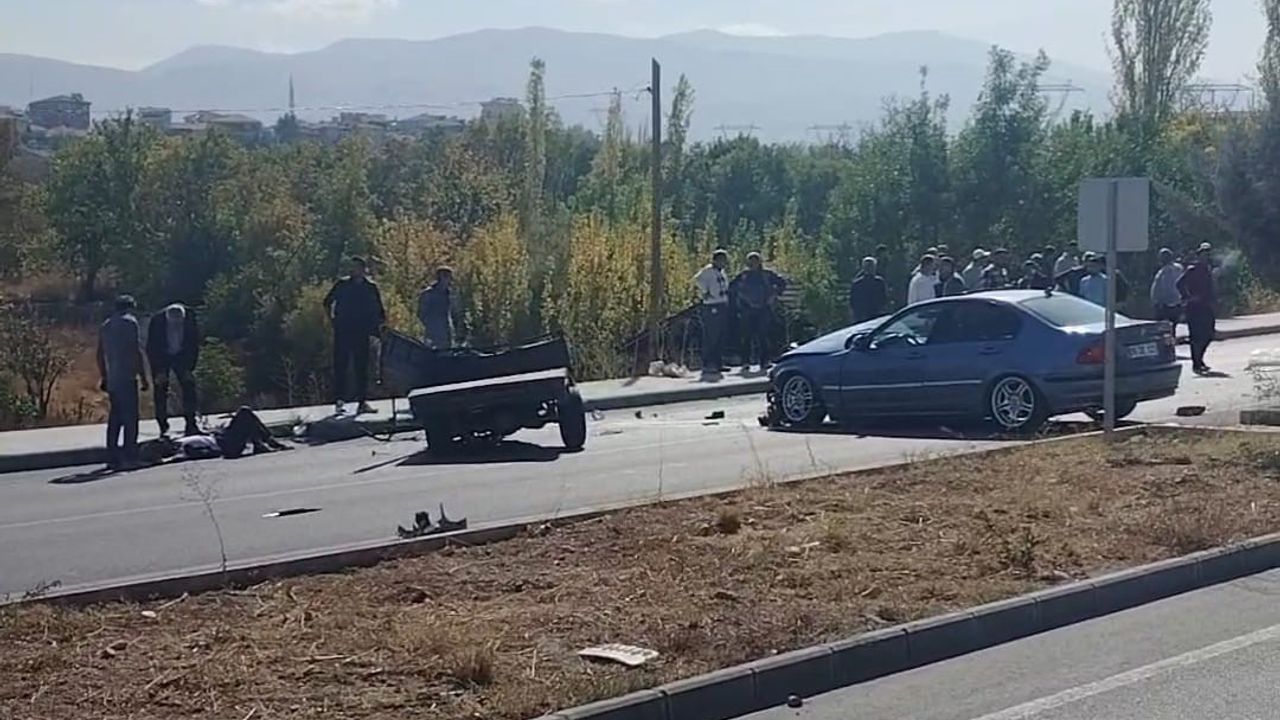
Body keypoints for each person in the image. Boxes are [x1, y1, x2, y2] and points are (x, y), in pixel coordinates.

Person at [323, 256, 386, 415]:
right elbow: (327, 302)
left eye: (357, 267)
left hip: (362, 332)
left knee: (362, 367)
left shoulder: (370, 287)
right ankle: (339, 402)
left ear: (363, 269)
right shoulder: (342, 285)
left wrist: (379, 327)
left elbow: (379, 310)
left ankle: (362, 402)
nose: (353, 270)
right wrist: (332, 321)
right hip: (343, 331)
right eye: (352, 267)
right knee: (341, 366)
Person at [97, 295, 149, 470]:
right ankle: (130, 457)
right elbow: (135, 350)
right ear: (130, 307)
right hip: (127, 376)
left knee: (115, 418)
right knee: (130, 418)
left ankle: (112, 457)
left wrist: (104, 376)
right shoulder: (130, 322)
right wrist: (143, 376)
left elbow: (100, 354)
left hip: (113, 378)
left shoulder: (106, 325)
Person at [146, 302, 201, 437]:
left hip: (182, 355)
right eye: (173, 323)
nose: (176, 325)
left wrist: (190, 368)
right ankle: (163, 426)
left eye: (179, 322)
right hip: (162, 356)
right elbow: (151, 347)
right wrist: (159, 371)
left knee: (189, 387)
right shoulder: (157, 321)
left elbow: (194, 343)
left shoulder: (190, 317)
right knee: (160, 390)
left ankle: (191, 424)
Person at [157, 407, 290, 462]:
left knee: (244, 417)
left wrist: (213, 432)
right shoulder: (184, 450)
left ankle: (259, 443)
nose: (166, 440)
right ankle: (269, 441)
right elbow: (207, 453)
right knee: (244, 412)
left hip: (220, 437)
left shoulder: (179, 441)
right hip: (226, 445)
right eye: (163, 443)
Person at [730, 252, 787, 372]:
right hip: (747, 309)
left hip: (763, 309)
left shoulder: (767, 275)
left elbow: (782, 283)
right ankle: (745, 362)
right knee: (746, 337)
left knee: (763, 336)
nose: (753, 264)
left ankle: (764, 361)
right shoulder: (743, 276)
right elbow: (732, 288)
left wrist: (774, 295)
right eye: (751, 261)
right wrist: (741, 299)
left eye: (755, 261)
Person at [1178, 243, 1217, 375]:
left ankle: (1199, 359)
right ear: (1199, 255)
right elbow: (1179, 284)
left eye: (1208, 253)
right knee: (1196, 337)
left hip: (1206, 306)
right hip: (1194, 308)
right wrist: (1188, 297)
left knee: (1209, 334)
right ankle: (1197, 363)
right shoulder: (1192, 269)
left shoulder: (1208, 269)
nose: (1206, 256)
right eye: (1204, 253)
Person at [693, 249, 731, 376]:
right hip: (711, 306)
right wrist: (706, 291)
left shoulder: (721, 272)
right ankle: (708, 364)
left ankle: (718, 363)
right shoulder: (708, 271)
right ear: (715, 260)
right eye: (721, 260)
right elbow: (698, 280)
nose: (723, 263)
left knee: (720, 335)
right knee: (711, 335)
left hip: (722, 304)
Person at [417, 266, 456, 350]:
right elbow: (421, 313)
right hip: (432, 330)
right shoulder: (429, 293)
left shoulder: (449, 293)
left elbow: (453, 312)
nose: (447, 279)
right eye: (444, 276)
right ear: (439, 277)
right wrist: (429, 325)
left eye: (449, 276)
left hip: (446, 330)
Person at [1149, 248, 1184, 334]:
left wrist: (1157, 302)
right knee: (1172, 327)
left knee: (1163, 329)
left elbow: (1163, 288)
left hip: (1165, 305)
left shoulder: (1164, 271)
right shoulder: (1179, 268)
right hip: (1176, 303)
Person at [849, 256, 888, 322]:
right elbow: (853, 301)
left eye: (871, 266)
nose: (869, 268)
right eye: (868, 266)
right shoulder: (858, 283)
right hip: (864, 315)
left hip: (874, 314)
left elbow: (884, 298)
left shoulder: (879, 282)